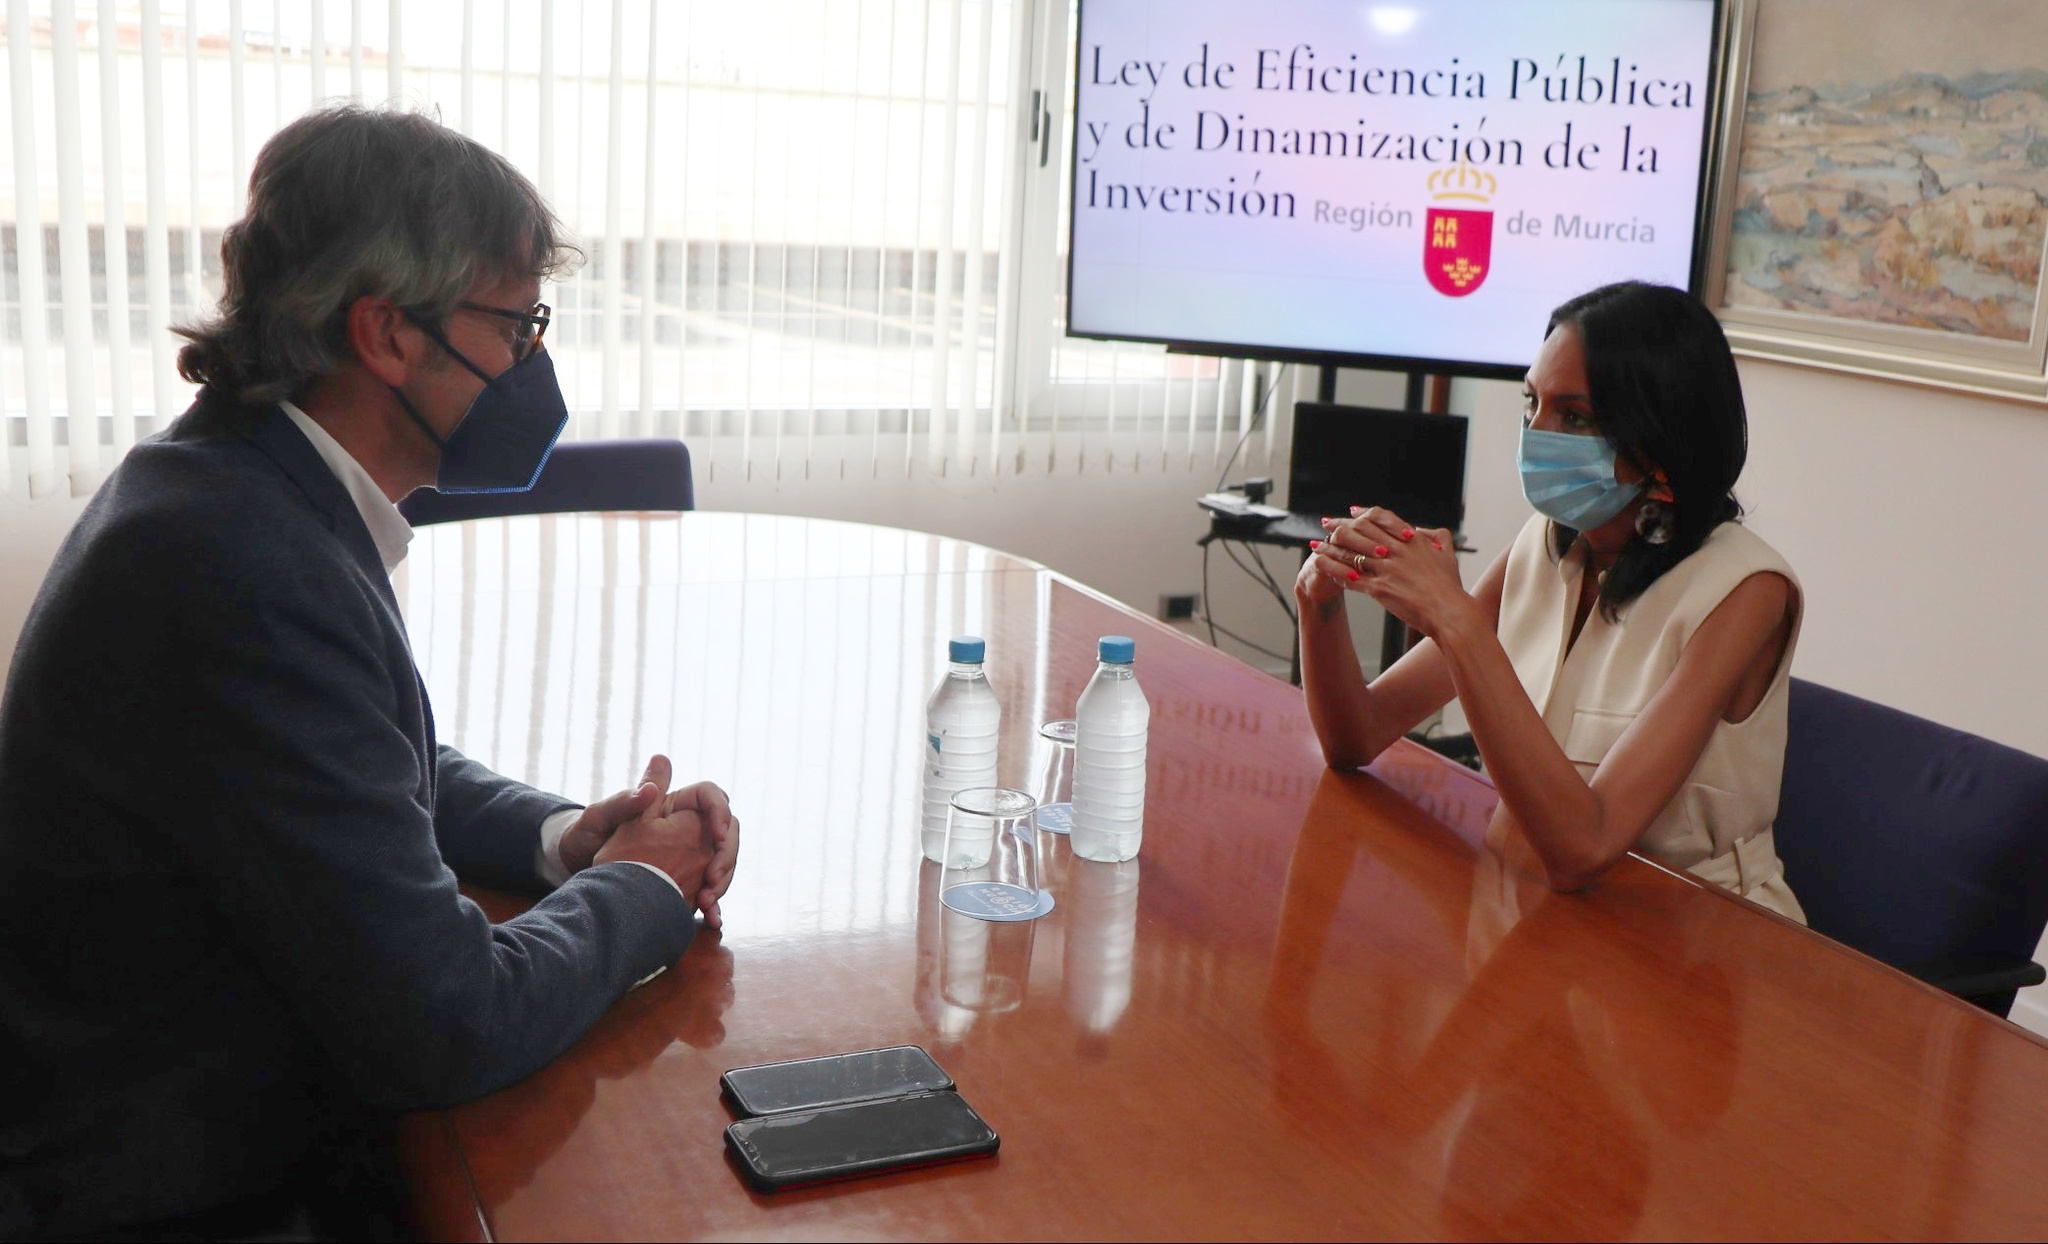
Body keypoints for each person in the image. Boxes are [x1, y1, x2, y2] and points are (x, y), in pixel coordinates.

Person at [0, 106, 739, 1240]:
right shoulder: (233, 558)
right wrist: (640, 885)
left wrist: (563, 839)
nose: (529, 365)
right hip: (187, 1190)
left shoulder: (231, 483)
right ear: (388, 335)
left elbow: (363, 756)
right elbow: (446, 1022)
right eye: (515, 327)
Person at [1296, 282, 1804, 921]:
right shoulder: (1547, 543)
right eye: (1531, 403)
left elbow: (1583, 847)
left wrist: (1455, 621)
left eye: (1575, 416)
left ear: (1662, 436)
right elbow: (1357, 736)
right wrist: (1321, 599)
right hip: (1537, 908)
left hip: (1695, 934)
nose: (1537, 434)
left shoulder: (1747, 591)